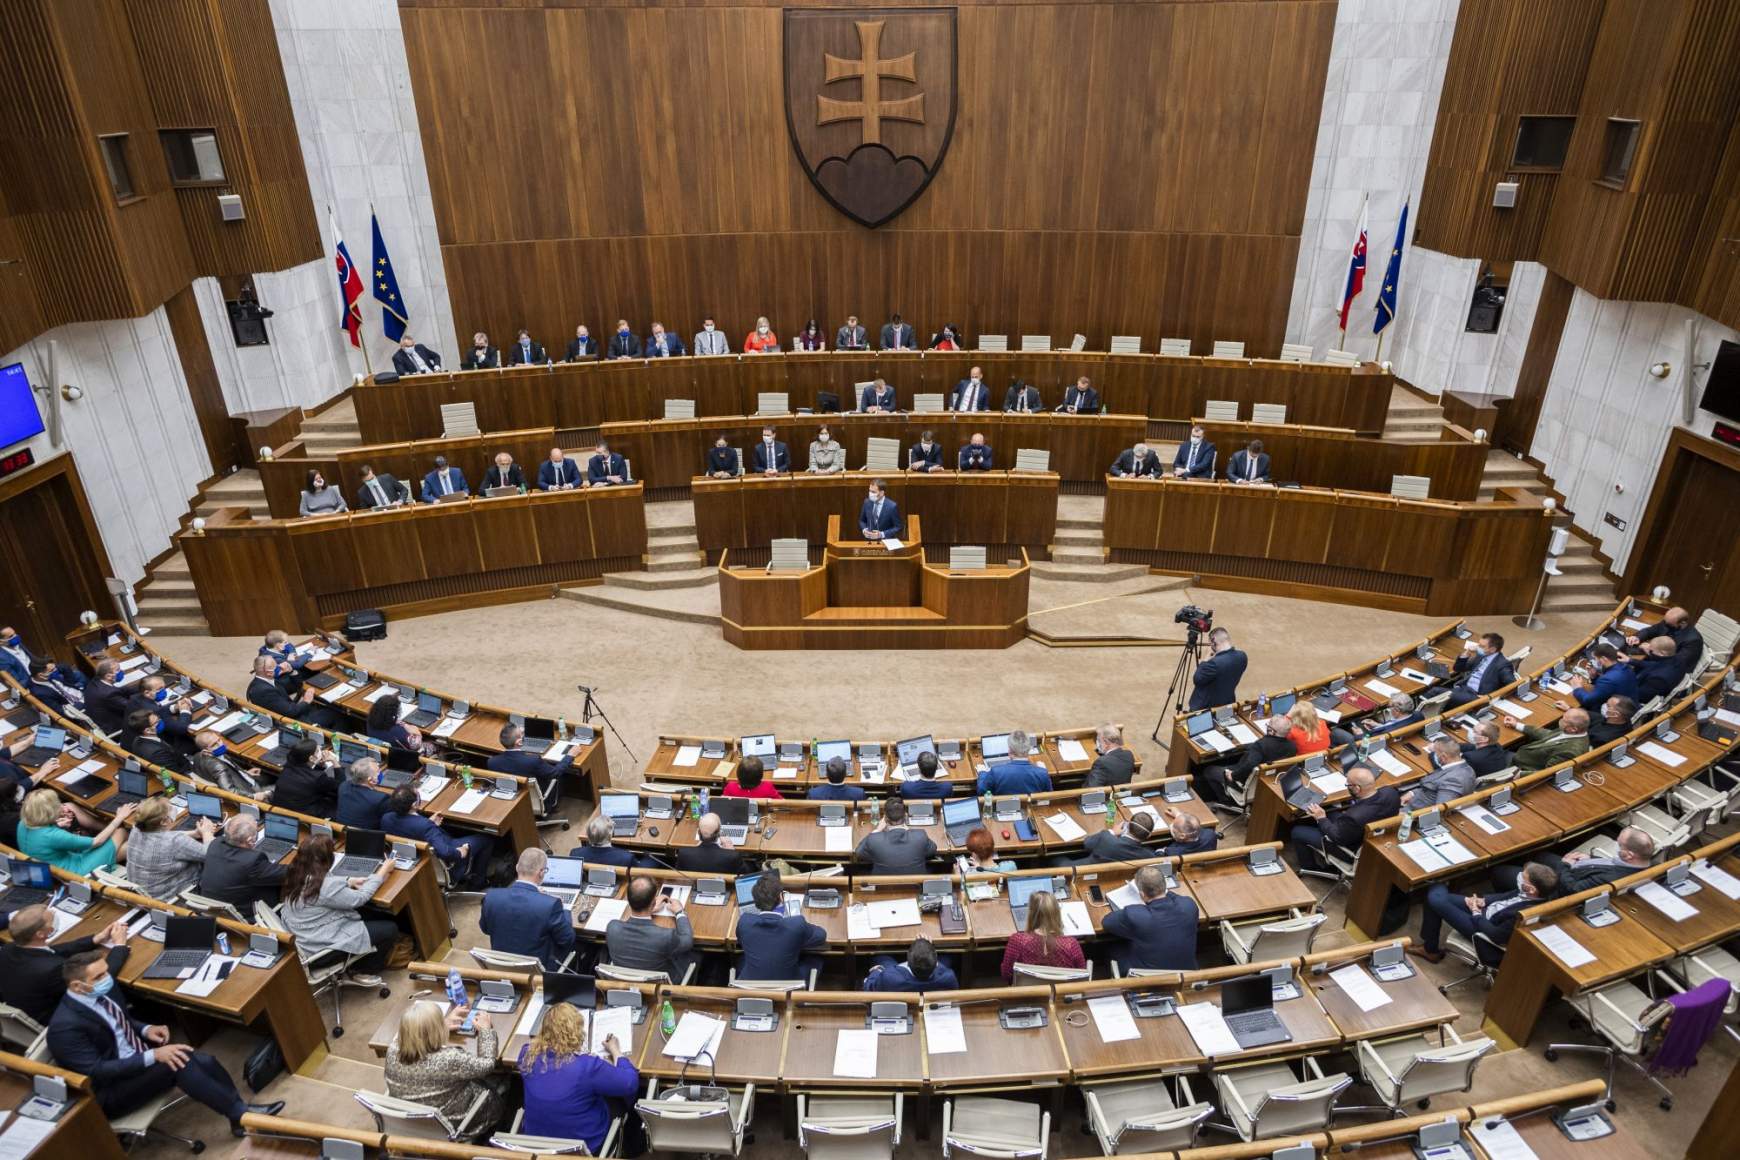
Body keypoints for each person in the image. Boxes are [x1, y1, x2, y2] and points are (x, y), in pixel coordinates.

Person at [50, 950, 282, 1135]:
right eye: (99, 977)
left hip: (134, 1059)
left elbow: (121, 1021)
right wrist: (153, 1056)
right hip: (112, 1091)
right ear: (77, 987)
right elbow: (96, 1071)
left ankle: (239, 1117)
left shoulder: (97, 992)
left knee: (206, 1060)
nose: (107, 979)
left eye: (106, 972)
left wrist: (147, 1029)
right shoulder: (65, 1027)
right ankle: (243, 1115)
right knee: (177, 1061)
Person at [518, 1003, 639, 1154]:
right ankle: (634, 1147)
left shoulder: (527, 1055)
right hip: (584, 1146)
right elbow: (630, 1082)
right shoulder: (587, 1067)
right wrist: (615, 1051)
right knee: (623, 1098)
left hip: (538, 1146)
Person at [281, 835, 395, 987]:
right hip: (321, 949)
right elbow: (360, 897)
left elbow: (325, 887)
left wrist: (348, 881)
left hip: (306, 938)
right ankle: (361, 970)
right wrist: (382, 871)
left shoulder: (295, 872)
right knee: (390, 929)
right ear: (327, 858)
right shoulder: (324, 886)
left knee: (368, 914)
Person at [384, 1000, 506, 1138]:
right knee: (501, 1080)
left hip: (412, 1121)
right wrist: (486, 1031)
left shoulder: (392, 1050)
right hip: (454, 1122)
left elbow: (416, 1037)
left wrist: (439, 1026)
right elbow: (487, 1064)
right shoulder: (450, 1059)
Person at [0, 905, 131, 1025]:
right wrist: (120, 945)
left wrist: (96, 938)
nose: (55, 919)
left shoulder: (9, 949)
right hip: (63, 1020)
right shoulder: (53, 969)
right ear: (40, 934)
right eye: (51, 919)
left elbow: (52, 951)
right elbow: (96, 982)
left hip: (28, 1006)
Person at [1412, 862, 1557, 964]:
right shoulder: (1529, 892)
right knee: (1434, 897)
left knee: (1436, 897)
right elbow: (1505, 896)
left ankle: (1429, 950)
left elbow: (1496, 935)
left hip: (1482, 928)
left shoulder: (1524, 913)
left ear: (1532, 889)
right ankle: (1429, 949)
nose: (1518, 877)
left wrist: (1476, 913)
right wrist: (1483, 901)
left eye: (1523, 878)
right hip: (1484, 910)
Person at [481, 849, 577, 971]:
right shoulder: (551, 905)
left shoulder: (491, 897)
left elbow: (485, 929)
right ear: (541, 873)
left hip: (502, 966)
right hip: (538, 971)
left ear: (517, 868)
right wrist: (564, 910)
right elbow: (567, 940)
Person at [382, 785, 494, 889]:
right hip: (444, 861)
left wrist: (429, 823)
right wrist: (461, 851)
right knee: (486, 839)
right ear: (414, 805)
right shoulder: (424, 826)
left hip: (414, 859)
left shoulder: (386, 818)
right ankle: (478, 883)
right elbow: (446, 852)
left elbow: (409, 829)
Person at [1289, 764, 1399, 865]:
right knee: (1331, 811)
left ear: (1357, 788)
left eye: (1348, 784)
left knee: (1297, 831)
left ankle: (1310, 867)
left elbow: (1336, 837)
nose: (1347, 786)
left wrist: (1321, 818)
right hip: (1371, 837)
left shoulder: (1354, 817)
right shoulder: (1391, 792)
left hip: (1349, 849)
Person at [1102, 865, 1199, 971]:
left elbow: (1107, 922)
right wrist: (1161, 890)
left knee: (1111, 948)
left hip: (1148, 979)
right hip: (1187, 972)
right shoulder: (1189, 905)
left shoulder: (1135, 914)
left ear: (1142, 894)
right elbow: (1175, 897)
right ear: (1165, 885)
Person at [737, 871, 826, 981]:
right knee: (816, 959)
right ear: (781, 896)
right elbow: (821, 936)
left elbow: (741, 941)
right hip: (788, 988)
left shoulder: (744, 922)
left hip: (751, 988)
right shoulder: (796, 924)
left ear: (756, 902)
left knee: (741, 958)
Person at [123, 796, 215, 901]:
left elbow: (164, 835)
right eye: (170, 808)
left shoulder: (137, 829)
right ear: (163, 822)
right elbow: (211, 854)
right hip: (168, 899)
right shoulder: (175, 841)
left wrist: (194, 834)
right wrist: (207, 832)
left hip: (142, 895)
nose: (173, 809)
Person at [17, 789, 131, 873]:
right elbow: (97, 842)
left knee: (125, 847)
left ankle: (113, 859)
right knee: (121, 831)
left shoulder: (23, 823)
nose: (61, 807)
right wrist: (119, 817)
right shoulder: (54, 835)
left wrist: (56, 825)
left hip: (59, 867)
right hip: (77, 870)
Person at [1195, 713, 1294, 808]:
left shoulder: (1261, 745)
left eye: (1268, 726)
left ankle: (1228, 803)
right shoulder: (1292, 747)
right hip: (1267, 782)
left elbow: (1250, 764)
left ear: (1272, 731)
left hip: (1243, 780)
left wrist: (1233, 776)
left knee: (1209, 770)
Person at [605, 876, 695, 979]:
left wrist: (648, 909)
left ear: (629, 901)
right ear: (653, 903)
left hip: (622, 980)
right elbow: (687, 941)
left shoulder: (612, 928)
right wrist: (679, 912)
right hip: (659, 986)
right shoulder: (665, 936)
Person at [199, 814, 289, 911]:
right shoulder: (252, 862)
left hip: (213, 907)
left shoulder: (215, 844)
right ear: (250, 841)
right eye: (257, 832)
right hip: (245, 913)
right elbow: (289, 873)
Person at [1000, 891, 1085, 980]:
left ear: (1030, 913)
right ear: (1056, 912)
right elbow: (1081, 978)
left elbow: (1006, 975)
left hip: (1029, 992)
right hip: (1062, 993)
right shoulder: (1071, 944)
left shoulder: (1017, 941)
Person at [246, 654, 337, 728]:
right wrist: (306, 701)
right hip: (293, 722)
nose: (279, 666)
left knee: (322, 705)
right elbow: (291, 712)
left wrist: (291, 671)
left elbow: (297, 686)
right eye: (276, 666)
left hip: (288, 709)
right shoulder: (265, 691)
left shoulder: (264, 680)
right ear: (269, 672)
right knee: (335, 713)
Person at [489, 722, 575, 794]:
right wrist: (570, 755)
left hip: (516, 795)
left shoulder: (492, 762)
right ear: (519, 742)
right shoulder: (533, 760)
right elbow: (555, 773)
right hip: (539, 797)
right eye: (522, 734)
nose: (524, 734)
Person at [856, 799, 936, 875]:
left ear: (885, 819)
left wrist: (878, 830)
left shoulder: (874, 839)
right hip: (916, 886)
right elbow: (932, 850)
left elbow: (859, 852)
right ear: (905, 816)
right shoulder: (920, 835)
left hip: (883, 886)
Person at [1560, 644, 1637, 716]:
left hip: (1618, 713)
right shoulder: (1625, 667)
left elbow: (1587, 700)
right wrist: (1595, 677)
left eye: (1595, 658)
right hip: (1630, 705)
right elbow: (1610, 688)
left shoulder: (1607, 679)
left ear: (1603, 659)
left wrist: (1577, 688)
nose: (1595, 661)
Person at [274, 737, 341, 818]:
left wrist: (319, 765)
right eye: (317, 750)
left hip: (283, 808)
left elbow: (308, 775)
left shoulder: (289, 765)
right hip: (306, 815)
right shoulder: (318, 778)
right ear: (311, 758)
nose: (321, 750)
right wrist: (335, 762)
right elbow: (341, 787)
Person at [1508, 708, 1591, 772]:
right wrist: (1517, 725)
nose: (1560, 721)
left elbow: (1547, 772)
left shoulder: (1570, 752)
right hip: (1522, 756)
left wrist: (1519, 775)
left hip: (1523, 767)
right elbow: (1547, 734)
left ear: (1573, 729)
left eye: (1564, 720)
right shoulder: (1572, 731)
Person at [1404, 736, 1476, 808]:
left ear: (1443, 756)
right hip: (1416, 798)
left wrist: (1407, 816)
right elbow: (1431, 789)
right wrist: (1412, 793)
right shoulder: (1468, 769)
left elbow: (1440, 809)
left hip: (1414, 810)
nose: (1433, 754)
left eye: (1435, 752)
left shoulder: (1454, 780)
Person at [1446, 632, 1515, 708]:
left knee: (1436, 691)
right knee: (1441, 698)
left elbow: (1512, 685)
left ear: (1492, 649)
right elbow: (1458, 668)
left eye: (1482, 646)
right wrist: (1467, 653)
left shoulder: (1502, 664)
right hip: (1463, 688)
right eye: (1478, 645)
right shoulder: (1481, 656)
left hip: (1476, 696)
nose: (1478, 648)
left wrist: (1492, 697)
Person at [0, 629, 83, 691]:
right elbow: (17, 682)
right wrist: (37, 677)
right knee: (78, 676)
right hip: (33, 682)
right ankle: (74, 689)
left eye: (15, 634)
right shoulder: (2, 659)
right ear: (1, 642)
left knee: (66, 667)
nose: (16, 637)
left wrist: (47, 663)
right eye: (11, 637)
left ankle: (74, 689)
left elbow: (34, 659)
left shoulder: (18, 644)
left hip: (40, 671)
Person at [864, 937, 958, 991]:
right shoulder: (949, 978)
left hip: (896, 978)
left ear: (907, 961)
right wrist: (926, 948)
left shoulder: (888, 978)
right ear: (936, 960)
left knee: (882, 958)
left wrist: (877, 971)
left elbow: (869, 987)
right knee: (947, 956)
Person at [1629, 606, 1703, 672]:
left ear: (1682, 623)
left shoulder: (1693, 640)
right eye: (1665, 622)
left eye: (1669, 624)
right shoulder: (1668, 622)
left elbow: (1677, 662)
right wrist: (1638, 637)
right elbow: (1651, 630)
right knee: (1626, 650)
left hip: (1670, 671)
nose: (1665, 625)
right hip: (1656, 657)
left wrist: (1652, 651)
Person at [1188, 627, 1246, 711]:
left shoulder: (1214, 663)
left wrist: (1206, 658)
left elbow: (1197, 678)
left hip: (1205, 710)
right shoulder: (1242, 656)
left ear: (1213, 641)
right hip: (1227, 706)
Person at [975, 731, 1050, 795]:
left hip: (1003, 809)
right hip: (1031, 808)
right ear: (1029, 749)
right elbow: (1049, 794)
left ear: (1009, 751)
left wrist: (982, 772)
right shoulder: (1042, 772)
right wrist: (1042, 770)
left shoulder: (996, 772)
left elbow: (981, 791)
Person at [121, 709, 189, 773]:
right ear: (148, 730)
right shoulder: (158, 754)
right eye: (157, 722)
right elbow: (176, 773)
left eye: (158, 718)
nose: (161, 720)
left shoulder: (138, 739)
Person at [675, 813, 744, 873]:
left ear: (698, 832)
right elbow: (745, 875)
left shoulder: (683, 853)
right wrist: (731, 850)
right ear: (718, 833)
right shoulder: (733, 856)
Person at [1078, 811, 1155, 863]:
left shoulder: (1106, 839)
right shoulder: (1148, 856)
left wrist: (1112, 832)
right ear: (1149, 835)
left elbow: (1087, 843)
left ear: (1127, 826)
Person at [574, 812, 639, 869]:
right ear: (611, 834)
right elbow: (641, 869)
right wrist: (647, 857)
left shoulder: (575, 854)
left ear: (588, 834)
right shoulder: (627, 857)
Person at [338, 757, 389, 829]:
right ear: (370, 780)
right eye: (378, 771)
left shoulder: (343, 786)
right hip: (368, 836)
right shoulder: (380, 799)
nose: (380, 773)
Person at [82, 660, 129, 735]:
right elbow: (130, 706)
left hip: (102, 718)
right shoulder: (108, 693)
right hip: (116, 728)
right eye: (118, 670)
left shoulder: (95, 681)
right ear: (108, 676)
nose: (122, 671)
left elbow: (118, 690)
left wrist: (140, 688)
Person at [1633, 636, 1684, 701]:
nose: (1649, 651)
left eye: (1651, 650)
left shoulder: (1658, 678)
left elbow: (1639, 695)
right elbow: (1654, 665)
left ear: (1662, 653)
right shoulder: (1678, 660)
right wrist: (1629, 660)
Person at [1351, 693, 1421, 738]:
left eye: (1390, 707)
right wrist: (1377, 725)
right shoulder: (1419, 715)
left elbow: (1369, 742)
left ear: (1397, 711)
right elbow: (1393, 725)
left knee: (1352, 725)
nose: (1389, 709)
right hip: (1383, 730)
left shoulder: (1386, 733)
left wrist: (1360, 734)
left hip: (1370, 738)